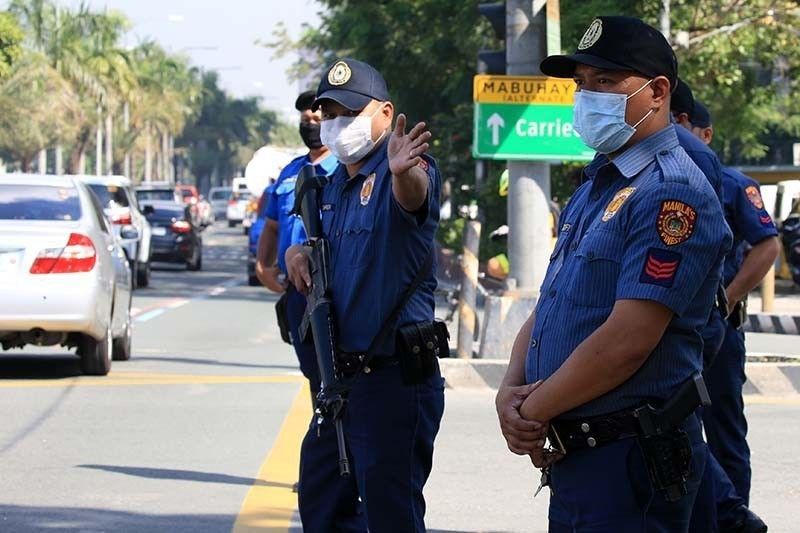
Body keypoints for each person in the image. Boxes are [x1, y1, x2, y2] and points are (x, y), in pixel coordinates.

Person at [495, 16, 732, 531]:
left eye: (606, 82)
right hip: (577, 454)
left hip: (630, 463)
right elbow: (554, 302)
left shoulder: (672, 192)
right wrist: (509, 390)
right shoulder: (597, 185)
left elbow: (627, 341)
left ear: (657, 92)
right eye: (582, 84)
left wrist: (531, 409)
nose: (587, 96)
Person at [285, 58, 444, 532]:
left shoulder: (407, 170)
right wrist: (299, 254)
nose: (336, 124)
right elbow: (331, 257)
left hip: (392, 382)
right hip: (340, 384)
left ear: (384, 113)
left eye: (349, 113)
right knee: (322, 503)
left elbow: (413, 198)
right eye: (329, 112)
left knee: (389, 514)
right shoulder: (330, 186)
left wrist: (401, 171)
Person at [683, 100, 778, 533]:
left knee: (723, 432)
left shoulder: (734, 184)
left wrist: (729, 296)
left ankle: (734, 520)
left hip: (717, 331)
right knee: (677, 429)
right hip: (674, 331)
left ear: (703, 133)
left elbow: (767, 245)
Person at [255, 90, 338, 395]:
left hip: (331, 285)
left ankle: (333, 431)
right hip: (296, 289)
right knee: (312, 371)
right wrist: (262, 265)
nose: (311, 124)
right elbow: (273, 224)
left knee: (333, 370)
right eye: (306, 120)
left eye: (318, 118)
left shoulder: (343, 169)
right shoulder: (291, 171)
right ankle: (324, 424)